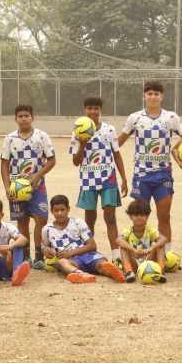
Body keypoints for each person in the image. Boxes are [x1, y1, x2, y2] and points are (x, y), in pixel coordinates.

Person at [117, 80, 182, 254]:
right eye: (149, 94)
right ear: (144, 96)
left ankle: (167, 254)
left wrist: (176, 150)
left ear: (162, 96)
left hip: (163, 175)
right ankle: (139, 253)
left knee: (164, 216)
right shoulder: (135, 118)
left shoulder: (171, 117)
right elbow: (118, 143)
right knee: (139, 218)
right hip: (141, 176)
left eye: (156, 94)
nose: (153, 97)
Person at [71, 96, 128, 268]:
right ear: (84, 110)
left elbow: (116, 154)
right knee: (90, 219)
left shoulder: (109, 129)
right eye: (90, 108)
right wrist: (82, 144)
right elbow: (76, 161)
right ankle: (88, 255)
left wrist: (124, 178)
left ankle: (116, 256)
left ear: (101, 110)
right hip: (88, 181)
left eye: (96, 108)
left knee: (110, 217)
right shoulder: (77, 131)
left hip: (108, 179)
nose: (93, 112)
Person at [1, 104, 56, 269]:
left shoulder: (42, 136)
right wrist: (7, 187)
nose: (23, 119)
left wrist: (37, 175)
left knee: (42, 218)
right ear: (15, 119)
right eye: (20, 116)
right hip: (17, 188)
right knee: (22, 220)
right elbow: (4, 164)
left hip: (37, 186)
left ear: (33, 118)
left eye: (27, 116)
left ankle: (39, 256)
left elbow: (52, 160)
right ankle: (26, 256)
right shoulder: (10, 138)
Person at [41, 195, 125, 284]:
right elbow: (44, 245)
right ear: (51, 211)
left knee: (101, 265)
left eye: (62, 210)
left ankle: (115, 273)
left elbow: (92, 245)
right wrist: (45, 249)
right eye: (56, 210)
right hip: (72, 261)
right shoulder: (47, 229)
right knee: (62, 262)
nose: (59, 213)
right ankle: (81, 275)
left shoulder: (78, 222)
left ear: (68, 209)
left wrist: (70, 253)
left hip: (88, 254)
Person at [116, 198, 168, 284]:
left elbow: (164, 239)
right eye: (136, 215)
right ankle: (129, 271)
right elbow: (118, 240)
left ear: (147, 216)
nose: (139, 218)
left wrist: (150, 249)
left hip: (148, 261)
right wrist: (134, 250)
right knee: (123, 246)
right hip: (134, 263)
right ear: (130, 216)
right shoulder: (128, 231)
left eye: (142, 215)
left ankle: (161, 270)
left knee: (160, 245)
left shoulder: (150, 230)